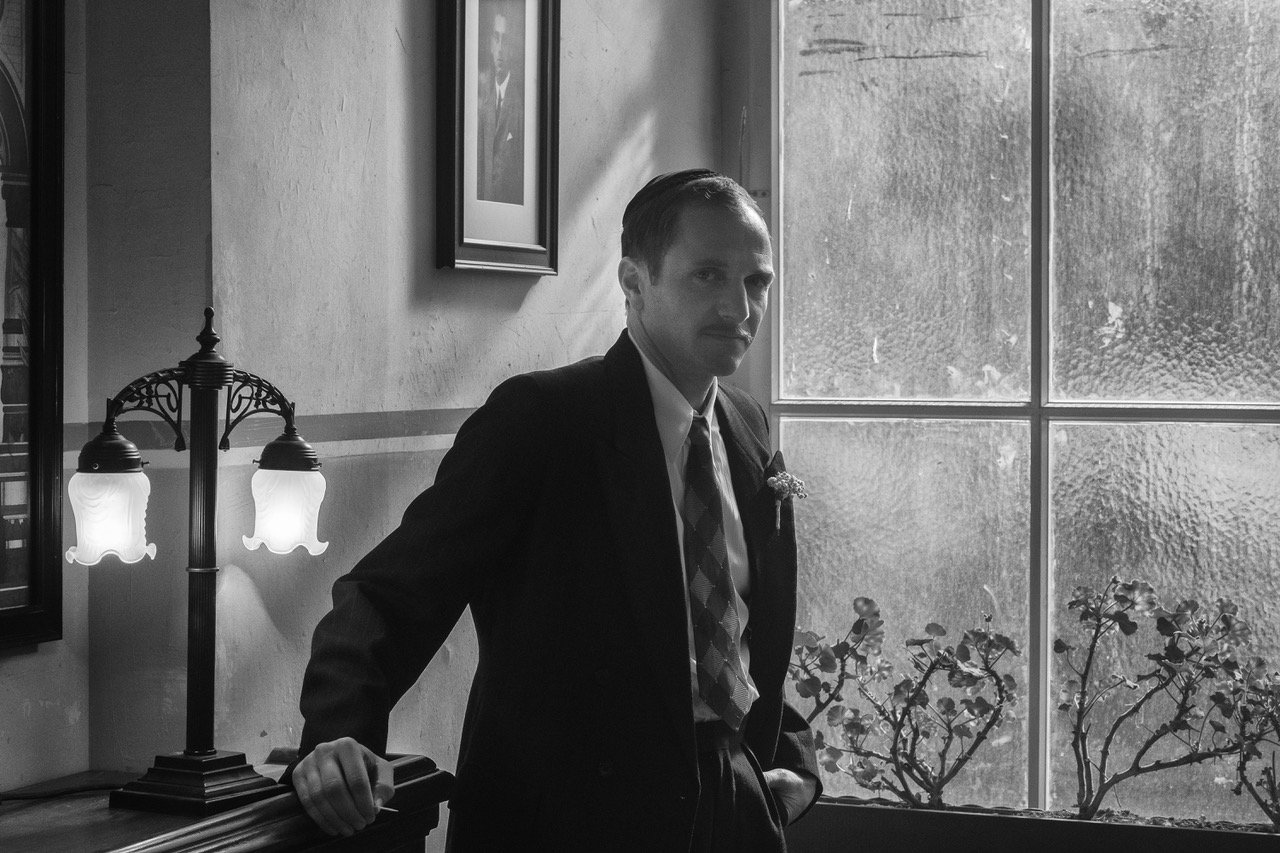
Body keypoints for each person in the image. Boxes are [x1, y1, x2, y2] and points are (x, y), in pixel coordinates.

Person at [289, 169, 821, 852]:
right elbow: (386, 594)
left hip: (735, 811)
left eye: (757, 281)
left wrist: (795, 767)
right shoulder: (543, 420)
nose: (739, 307)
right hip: (571, 821)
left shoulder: (746, 424)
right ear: (634, 282)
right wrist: (338, 734)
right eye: (708, 275)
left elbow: (733, 629)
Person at [476, 0, 523, 204]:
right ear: (490, 44)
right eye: (497, 38)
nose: (501, 49)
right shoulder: (483, 103)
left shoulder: (521, 108)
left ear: (513, 47)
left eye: (506, 40)